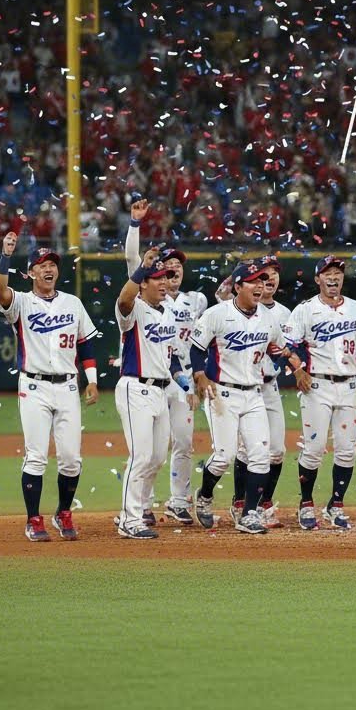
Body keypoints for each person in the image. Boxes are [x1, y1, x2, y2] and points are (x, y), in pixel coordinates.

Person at [0, 232, 100, 542]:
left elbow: (86, 346)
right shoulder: (22, 303)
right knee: (36, 456)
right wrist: (5, 255)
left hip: (68, 387)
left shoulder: (73, 303)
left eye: (52, 263)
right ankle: (33, 519)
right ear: (30, 273)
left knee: (71, 458)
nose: (49, 268)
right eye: (41, 264)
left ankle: (63, 512)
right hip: (34, 387)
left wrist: (92, 382)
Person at [189, 262, 307, 534]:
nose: (259, 286)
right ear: (238, 287)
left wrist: (293, 362)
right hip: (222, 392)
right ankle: (205, 495)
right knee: (224, 456)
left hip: (255, 393)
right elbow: (196, 349)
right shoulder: (216, 314)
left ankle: (249, 513)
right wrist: (199, 374)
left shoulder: (267, 317)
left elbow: (276, 349)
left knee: (260, 456)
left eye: (262, 281)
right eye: (253, 281)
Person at [124, 198, 205, 526]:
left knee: (183, 442)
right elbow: (132, 261)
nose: (172, 276)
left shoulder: (195, 301)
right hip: (151, 377)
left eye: (177, 270)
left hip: (180, 376)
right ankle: (141, 504)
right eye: (166, 271)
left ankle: (177, 500)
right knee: (149, 449)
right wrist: (135, 225)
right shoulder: (145, 300)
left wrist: (197, 376)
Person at [290, 255, 356, 530]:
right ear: (318, 279)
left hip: (348, 386)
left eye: (338, 272)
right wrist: (298, 370)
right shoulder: (305, 310)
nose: (333, 277)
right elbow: (289, 346)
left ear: (342, 278)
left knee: (346, 451)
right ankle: (306, 503)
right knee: (314, 448)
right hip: (316, 385)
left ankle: (336, 504)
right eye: (327, 272)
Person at [114, 248, 178, 539]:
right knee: (140, 456)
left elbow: (169, 353)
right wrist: (141, 267)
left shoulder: (168, 313)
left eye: (165, 276)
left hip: (160, 391)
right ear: (143, 283)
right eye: (156, 278)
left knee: (157, 459)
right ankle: (129, 519)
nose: (163, 282)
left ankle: (138, 510)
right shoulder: (135, 308)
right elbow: (123, 299)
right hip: (135, 387)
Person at [231, 255, 294, 530]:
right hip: (244, 386)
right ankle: (240, 502)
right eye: (263, 274)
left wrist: (295, 366)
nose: (270, 278)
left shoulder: (283, 313)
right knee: (247, 449)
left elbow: (287, 349)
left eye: (274, 273)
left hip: (270, 385)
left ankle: (264, 500)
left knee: (277, 450)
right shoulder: (236, 308)